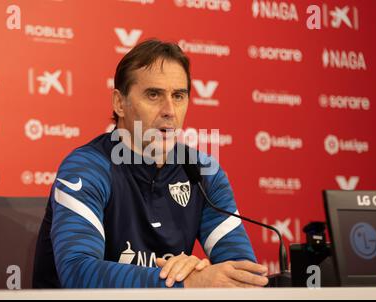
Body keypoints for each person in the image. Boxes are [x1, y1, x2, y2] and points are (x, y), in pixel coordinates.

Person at [33, 39, 269, 288]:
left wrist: (202, 273)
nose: (170, 111)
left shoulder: (202, 172)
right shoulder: (87, 167)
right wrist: (186, 283)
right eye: (153, 95)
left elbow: (244, 277)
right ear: (119, 103)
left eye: (178, 96)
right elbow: (78, 273)